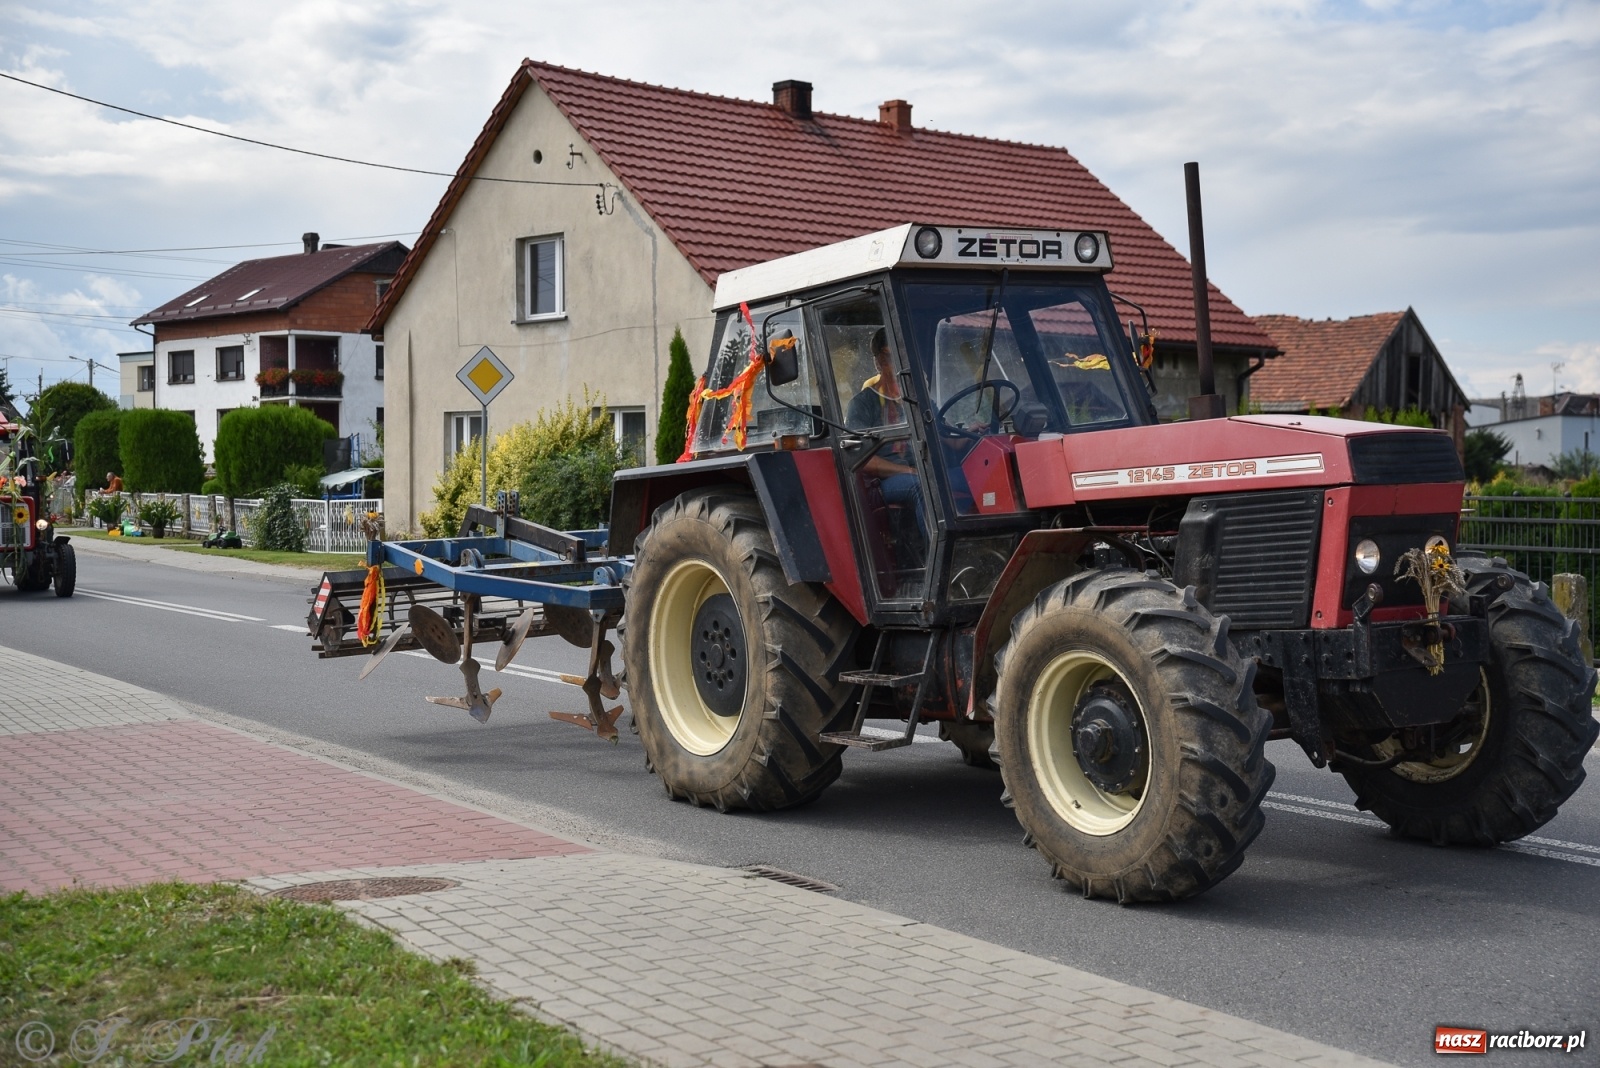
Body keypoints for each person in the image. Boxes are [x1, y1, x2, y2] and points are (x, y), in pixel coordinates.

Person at [845, 329, 926, 532]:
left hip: (921, 472)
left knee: (972, 478)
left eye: (904, 357)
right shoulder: (863, 405)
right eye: (892, 358)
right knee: (924, 488)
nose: (900, 366)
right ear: (878, 362)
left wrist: (966, 433)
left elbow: (942, 437)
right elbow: (863, 460)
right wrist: (908, 470)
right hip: (882, 482)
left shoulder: (917, 400)